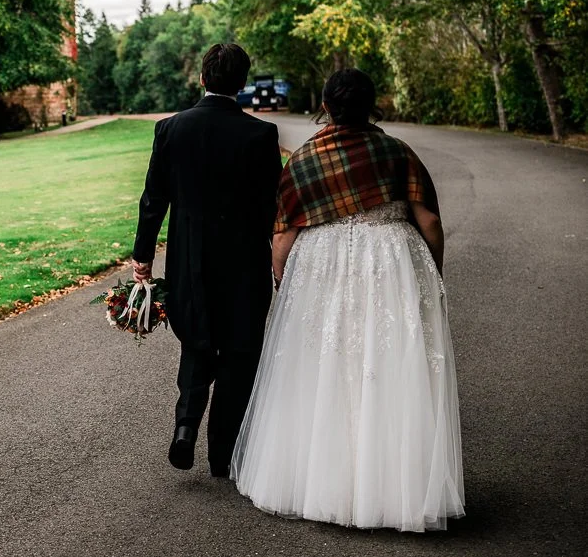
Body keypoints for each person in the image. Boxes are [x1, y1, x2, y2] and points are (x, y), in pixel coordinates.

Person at [231, 69, 465, 532]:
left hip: (324, 267)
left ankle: (324, 484)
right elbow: (430, 222)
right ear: (371, 104)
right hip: (392, 263)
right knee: (391, 368)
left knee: (326, 368)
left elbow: (284, 233)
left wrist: (283, 278)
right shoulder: (396, 151)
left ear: (326, 105)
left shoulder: (305, 158)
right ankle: (394, 491)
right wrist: (429, 272)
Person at [131, 43, 282, 477]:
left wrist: (143, 257)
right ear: (243, 84)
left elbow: (152, 201)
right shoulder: (260, 135)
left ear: (201, 78)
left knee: (197, 341)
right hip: (243, 262)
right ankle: (223, 454)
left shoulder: (170, 129)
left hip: (190, 261)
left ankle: (184, 428)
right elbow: (272, 208)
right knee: (238, 350)